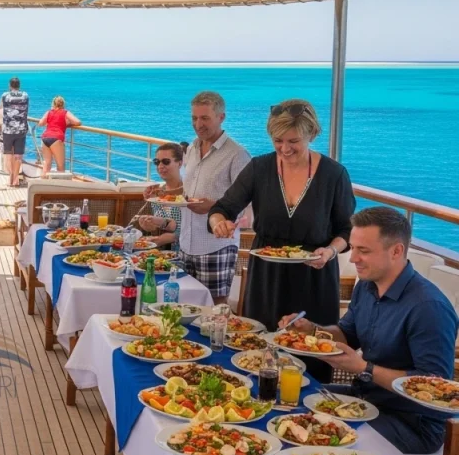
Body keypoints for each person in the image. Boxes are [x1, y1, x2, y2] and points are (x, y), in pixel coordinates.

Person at [278, 207, 458, 455]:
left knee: (316, 439)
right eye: (353, 248)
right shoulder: (366, 286)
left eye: (363, 251)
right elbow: (346, 334)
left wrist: (363, 369)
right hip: (365, 397)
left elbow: (434, 388)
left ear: (397, 251)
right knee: (284, 401)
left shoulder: (428, 307)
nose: (352, 259)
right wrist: (312, 330)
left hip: (411, 422)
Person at [209, 99, 355, 382]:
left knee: (310, 359)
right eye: (278, 140)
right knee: (257, 356)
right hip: (267, 279)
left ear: (312, 134)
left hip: (315, 279)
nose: (285, 148)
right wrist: (219, 223)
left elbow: (347, 230)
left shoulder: (334, 174)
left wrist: (329, 250)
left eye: (294, 141)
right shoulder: (259, 168)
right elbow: (223, 208)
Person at [178, 91, 253, 303]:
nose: (198, 124)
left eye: (204, 118)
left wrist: (215, 207)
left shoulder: (237, 155)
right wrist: (165, 194)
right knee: (184, 306)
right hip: (186, 243)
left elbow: (247, 202)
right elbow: (188, 190)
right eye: (194, 118)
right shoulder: (192, 148)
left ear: (221, 117)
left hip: (216, 245)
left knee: (214, 308)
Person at [138, 142, 187, 250]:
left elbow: (192, 229)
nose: (160, 166)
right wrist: (149, 226)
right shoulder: (157, 193)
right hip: (165, 254)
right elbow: (166, 225)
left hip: (187, 252)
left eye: (166, 162)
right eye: (157, 162)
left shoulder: (188, 191)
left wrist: (165, 239)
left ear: (179, 163)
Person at [38, 96, 80, 176]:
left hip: (45, 138)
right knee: (60, 166)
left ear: (53, 103)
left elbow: (40, 123)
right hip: (56, 138)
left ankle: (42, 184)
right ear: (63, 104)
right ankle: (59, 186)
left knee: (47, 164)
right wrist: (66, 124)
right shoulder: (65, 112)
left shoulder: (49, 112)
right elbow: (78, 122)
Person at [0, 77, 29, 187]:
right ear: (19, 85)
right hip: (21, 129)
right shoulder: (25, 95)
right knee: (18, 155)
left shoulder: (5, 95)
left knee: (8, 154)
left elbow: (0, 108)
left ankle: (10, 178)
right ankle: (16, 179)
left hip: (8, 129)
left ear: (10, 85)